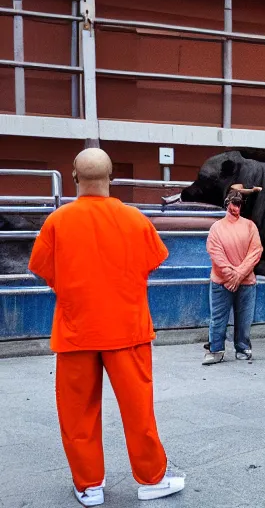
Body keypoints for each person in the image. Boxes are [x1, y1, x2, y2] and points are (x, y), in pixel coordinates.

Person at [28, 148, 184, 506]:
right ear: (111, 177)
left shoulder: (57, 222)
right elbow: (150, 263)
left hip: (75, 330)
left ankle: (89, 486)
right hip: (127, 330)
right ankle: (152, 479)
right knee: (138, 409)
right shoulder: (135, 220)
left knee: (77, 413)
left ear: (73, 176)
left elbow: (45, 270)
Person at [203, 189, 263, 365]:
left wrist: (238, 275)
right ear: (226, 203)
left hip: (245, 282)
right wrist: (233, 275)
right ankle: (216, 349)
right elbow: (215, 253)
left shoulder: (250, 226)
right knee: (218, 318)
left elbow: (256, 251)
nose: (235, 207)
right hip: (222, 282)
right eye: (232, 203)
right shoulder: (216, 227)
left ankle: (243, 348)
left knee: (244, 319)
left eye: (238, 204)